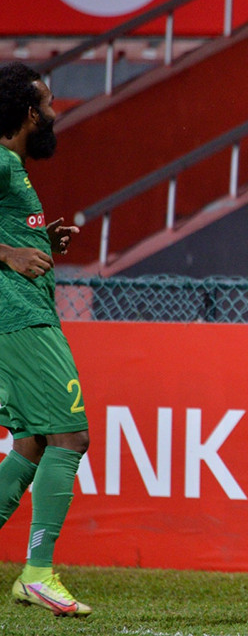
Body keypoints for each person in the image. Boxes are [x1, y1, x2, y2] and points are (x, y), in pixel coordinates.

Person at [0, 62, 90, 617]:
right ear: (30, 113)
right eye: (50, 102)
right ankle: (38, 571)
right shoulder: (2, 162)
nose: (56, 111)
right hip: (22, 319)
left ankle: (34, 572)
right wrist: (7, 254)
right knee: (70, 436)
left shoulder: (15, 168)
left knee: (32, 444)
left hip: (22, 315)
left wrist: (41, 240)